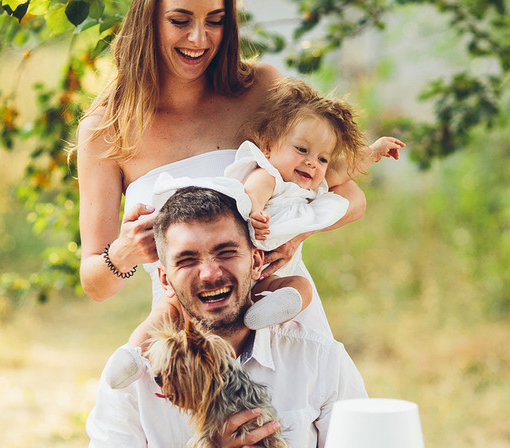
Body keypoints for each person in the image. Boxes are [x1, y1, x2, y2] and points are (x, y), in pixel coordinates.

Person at [76, 0, 366, 343]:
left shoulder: (262, 90)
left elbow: (347, 194)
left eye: (215, 21)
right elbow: (95, 283)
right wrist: (125, 251)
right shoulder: (105, 129)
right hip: (190, 347)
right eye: (180, 20)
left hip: (286, 328)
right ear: (149, 22)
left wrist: (297, 232)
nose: (199, 39)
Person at [101, 77, 404, 389]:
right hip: (224, 271)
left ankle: (266, 310)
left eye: (321, 158)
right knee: (168, 312)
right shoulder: (269, 174)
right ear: (270, 146)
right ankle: (132, 355)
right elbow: (253, 192)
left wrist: (375, 150)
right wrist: (257, 210)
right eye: (302, 150)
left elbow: (344, 172)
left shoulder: (310, 184)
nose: (312, 163)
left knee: (300, 287)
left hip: (265, 272)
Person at [87, 186, 368, 447]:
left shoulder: (320, 359)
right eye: (187, 260)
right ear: (164, 279)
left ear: (257, 262)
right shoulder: (132, 382)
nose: (210, 273)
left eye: (226, 252)